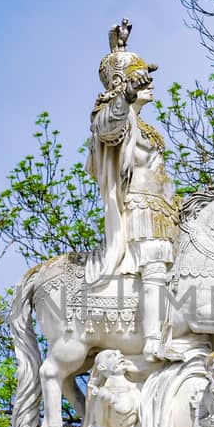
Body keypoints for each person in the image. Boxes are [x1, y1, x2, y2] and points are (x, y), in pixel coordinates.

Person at [85, 21, 180, 360]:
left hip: (166, 210)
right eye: (142, 78)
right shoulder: (116, 119)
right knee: (154, 266)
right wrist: (123, 90)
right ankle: (154, 341)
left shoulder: (147, 127)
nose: (149, 83)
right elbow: (108, 128)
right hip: (139, 209)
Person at [54, 349, 140, 427]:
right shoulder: (104, 395)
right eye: (110, 356)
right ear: (102, 367)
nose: (118, 354)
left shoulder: (139, 387)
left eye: (118, 353)